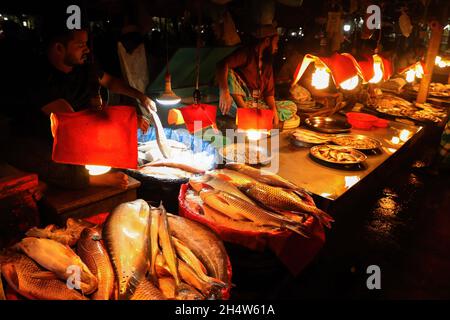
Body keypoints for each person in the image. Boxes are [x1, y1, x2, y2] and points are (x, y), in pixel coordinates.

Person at [5, 24, 157, 190]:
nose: (87, 50)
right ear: (59, 48)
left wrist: (141, 97)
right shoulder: (39, 77)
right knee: (49, 161)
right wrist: (125, 123)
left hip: (77, 135)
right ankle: (94, 180)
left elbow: (110, 81)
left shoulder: (84, 67)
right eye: (80, 45)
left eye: (86, 44)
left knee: (111, 155)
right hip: (41, 137)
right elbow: (74, 125)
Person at [216, 24, 297, 128]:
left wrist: (274, 112)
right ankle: (247, 114)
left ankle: (258, 116)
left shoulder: (267, 64)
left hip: (257, 104)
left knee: (291, 106)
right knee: (229, 73)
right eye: (276, 43)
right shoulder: (246, 54)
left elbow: (269, 94)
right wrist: (224, 91)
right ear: (267, 41)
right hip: (240, 103)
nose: (277, 47)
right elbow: (222, 64)